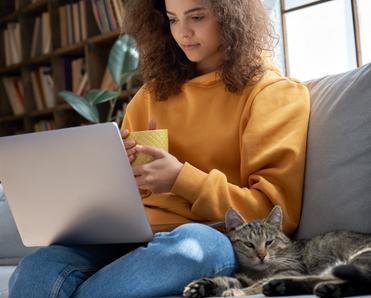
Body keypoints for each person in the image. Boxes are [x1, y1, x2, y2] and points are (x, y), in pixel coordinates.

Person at [9, 0, 310, 297]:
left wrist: (181, 178)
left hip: (208, 236)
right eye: (172, 19)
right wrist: (121, 174)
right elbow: (136, 196)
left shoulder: (274, 93)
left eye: (196, 17)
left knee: (197, 249)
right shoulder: (150, 95)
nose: (183, 33)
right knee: (36, 268)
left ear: (231, 17)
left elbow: (274, 210)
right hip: (129, 238)